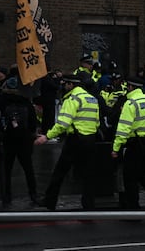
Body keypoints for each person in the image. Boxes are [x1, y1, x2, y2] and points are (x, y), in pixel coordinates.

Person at [34, 72, 101, 211]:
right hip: (90, 139)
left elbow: (62, 123)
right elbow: (97, 121)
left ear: (71, 84)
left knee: (60, 172)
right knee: (88, 174)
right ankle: (89, 205)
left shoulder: (73, 99)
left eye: (65, 83)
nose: (63, 86)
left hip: (75, 140)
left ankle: (50, 201)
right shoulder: (92, 99)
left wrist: (46, 136)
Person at [111, 75, 145, 211]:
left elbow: (123, 128)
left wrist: (116, 148)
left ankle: (133, 209)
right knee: (142, 175)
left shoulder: (130, 103)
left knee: (129, 178)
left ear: (131, 87)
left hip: (135, 144)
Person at [0, 77, 38, 207]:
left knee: (6, 170)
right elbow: (33, 123)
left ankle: (6, 197)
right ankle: (34, 195)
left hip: (7, 140)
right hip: (24, 140)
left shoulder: (1, 102)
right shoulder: (26, 103)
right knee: (28, 169)